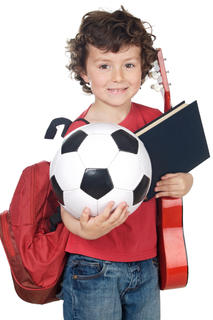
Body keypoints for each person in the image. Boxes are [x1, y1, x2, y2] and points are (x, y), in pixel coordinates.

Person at [59, 6, 193, 320]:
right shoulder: (79, 134)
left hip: (147, 265)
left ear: (144, 69)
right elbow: (65, 205)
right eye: (104, 65)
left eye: (128, 64)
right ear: (84, 72)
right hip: (92, 266)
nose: (117, 77)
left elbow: (174, 176)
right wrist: (84, 230)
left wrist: (184, 182)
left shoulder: (154, 121)